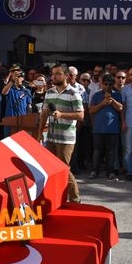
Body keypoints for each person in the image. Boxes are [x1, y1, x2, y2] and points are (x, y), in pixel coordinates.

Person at [37, 64, 84, 202]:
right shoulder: (49, 92)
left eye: (57, 74)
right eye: (52, 74)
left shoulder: (74, 93)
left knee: (63, 169)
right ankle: (56, 198)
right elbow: (44, 113)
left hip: (66, 138)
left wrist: (62, 114)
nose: (54, 77)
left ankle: (75, 199)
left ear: (65, 76)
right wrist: (40, 133)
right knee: (52, 169)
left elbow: (81, 115)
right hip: (51, 136)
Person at [89, 73, 123, 180]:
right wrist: (103, 103)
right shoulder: (96, 95)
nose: (107, 86)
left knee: (111, 152)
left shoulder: (117, 95)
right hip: (98, 128)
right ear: (102, 84)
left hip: (112, 128)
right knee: (97, 151)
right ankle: (95, 171)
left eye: (110, 84)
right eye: (105, 84)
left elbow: (120, 108)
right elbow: (91, 110)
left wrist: (111, 100)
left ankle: (110, 172)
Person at [1, 63, 33, 137]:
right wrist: (12, 81)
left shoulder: (26, 91)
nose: (18, 78)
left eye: (20, 77)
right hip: (10, 121)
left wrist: (29, 120)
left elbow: (29, 107)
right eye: (16, 77)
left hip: (23, 121)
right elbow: (4, 92)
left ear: (23, 78)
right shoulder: (10, 89)